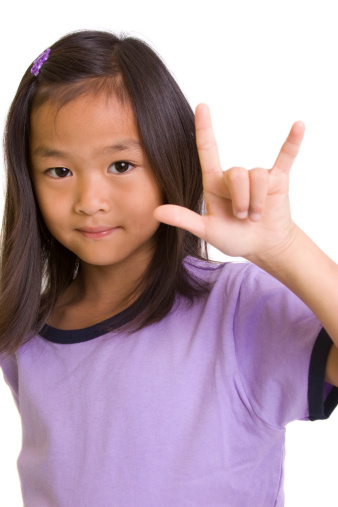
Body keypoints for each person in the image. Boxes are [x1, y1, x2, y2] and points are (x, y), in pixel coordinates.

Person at [0, 29, 337, 507]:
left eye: (120, 165)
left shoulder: (237, 309)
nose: (89, 202)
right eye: (60, 171)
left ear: (169, 158)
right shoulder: (24, 331)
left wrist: (283, 246)